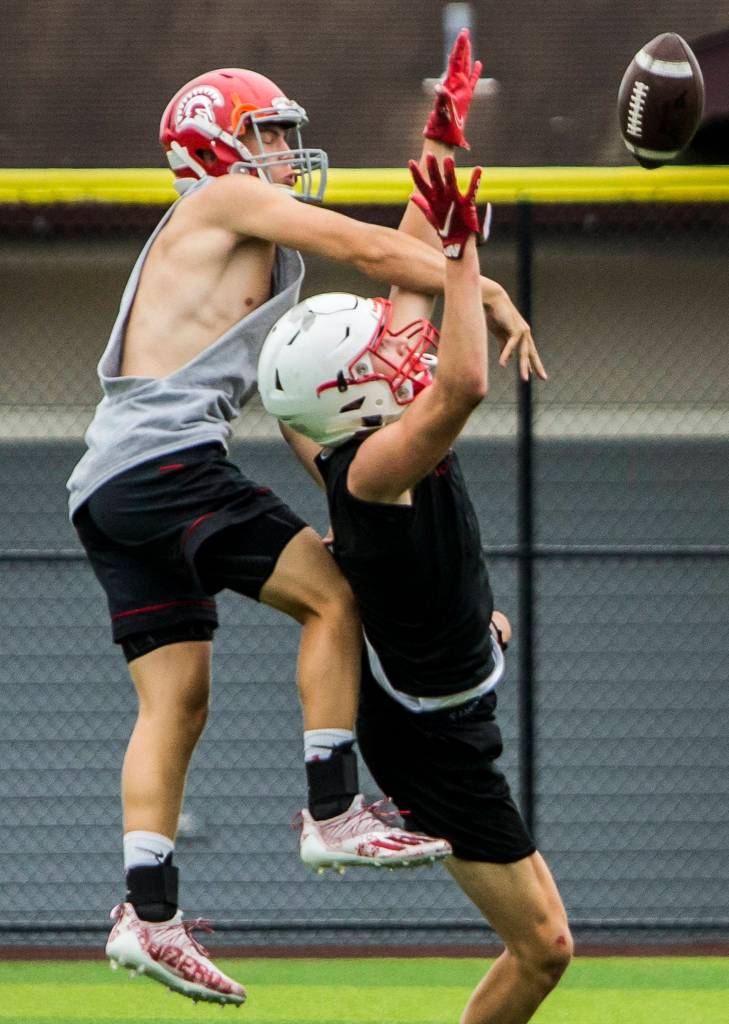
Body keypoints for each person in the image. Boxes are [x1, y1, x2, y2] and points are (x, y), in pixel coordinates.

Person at [66, 36, 537, 1007]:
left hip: (108, 484)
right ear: (210, 149)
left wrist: (440, 138)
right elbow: (375, 252)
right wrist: (475, 282)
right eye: (266, 135)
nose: (283, 152)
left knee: (176, 701)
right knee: (336, 598)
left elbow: (394, 265)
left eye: (283, 136)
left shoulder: (247, 228)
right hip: (167, 460)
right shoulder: (223, 200)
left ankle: (145, 913)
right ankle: (332, 809)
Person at [258, 56, 572, 1024]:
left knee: (543, 945)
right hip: (435, 736)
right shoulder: (377, 464)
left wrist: (442, 134)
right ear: (354, 389)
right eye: (379, 348)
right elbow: (467, 384)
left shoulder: (346, 436)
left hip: (445, 670)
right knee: (546, 949)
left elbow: (411, 245)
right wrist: (470, 257)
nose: (403, 342)